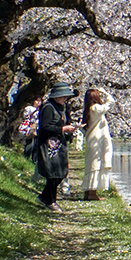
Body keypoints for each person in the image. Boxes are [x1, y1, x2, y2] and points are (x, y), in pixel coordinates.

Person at [35, 82, 77, 211]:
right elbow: (45, 127)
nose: (64, 99)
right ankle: (50, 200)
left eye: (66, 97)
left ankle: (45, 198)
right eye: (62, 96)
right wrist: (63, 129)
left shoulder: (62, 108)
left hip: (59, 144)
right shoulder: (48, 107)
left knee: (61, 172)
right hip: (49, 145)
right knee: (53, 173)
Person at [80, 87, 115, 200]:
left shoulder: (88, 110)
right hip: (97, 141)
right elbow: (110, 103)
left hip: (93, 139)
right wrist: (105, 93)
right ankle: (92, 193)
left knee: (92, 165)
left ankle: (88, 192)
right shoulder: (96, 109)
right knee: (95, 165)